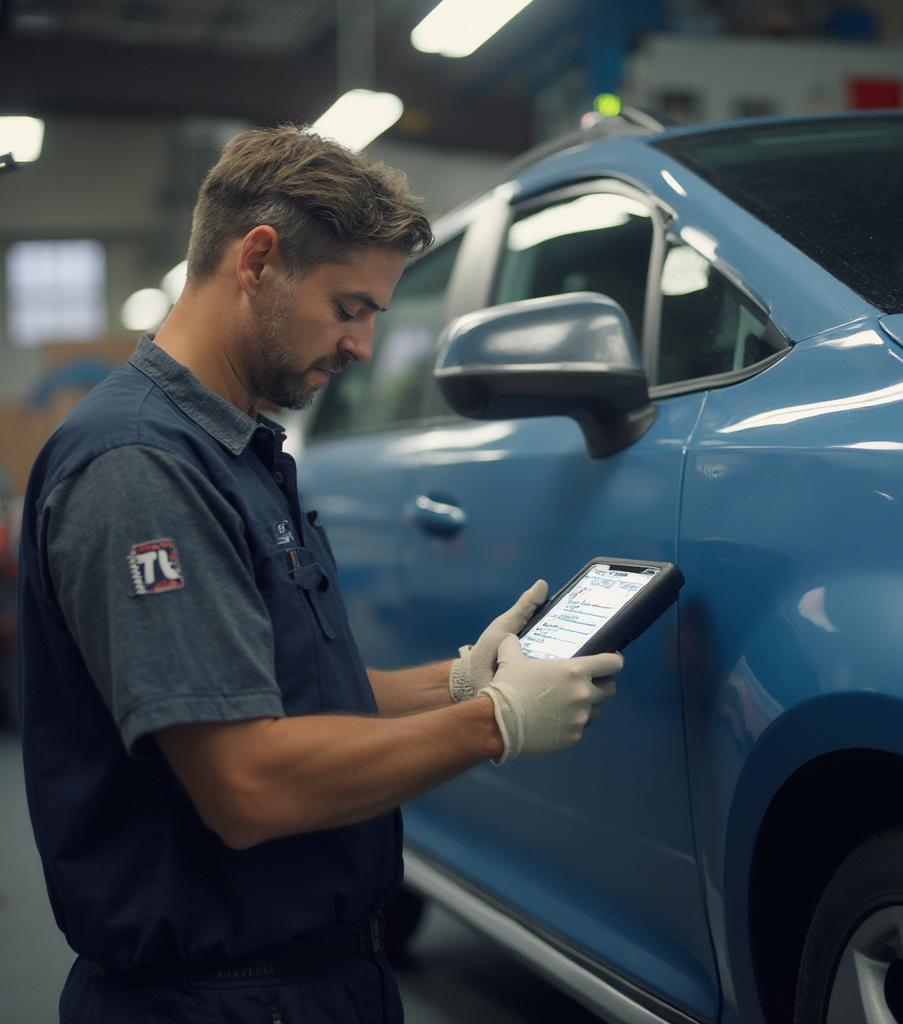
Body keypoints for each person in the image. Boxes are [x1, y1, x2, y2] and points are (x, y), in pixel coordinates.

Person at [17, 125, 621, 1023]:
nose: (364, 348)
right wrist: (491, 725)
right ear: (258, 260)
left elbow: (287, 700)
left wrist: (458, 680)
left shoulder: (235, 449)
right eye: (350, 308)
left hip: (304, 981)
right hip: (217, 1001)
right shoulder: (142, 466)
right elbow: (248, 783)